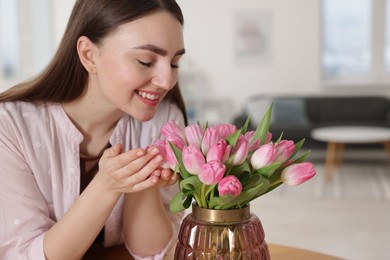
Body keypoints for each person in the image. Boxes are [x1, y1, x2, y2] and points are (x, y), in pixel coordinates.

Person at [0, 0, 188, 259]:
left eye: (175, 62)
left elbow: (156, 254)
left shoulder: (164, 119)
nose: (166, 80)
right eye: (145, 61)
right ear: (89, 54)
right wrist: (107, 185)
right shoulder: (9, 127)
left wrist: (142, 182)